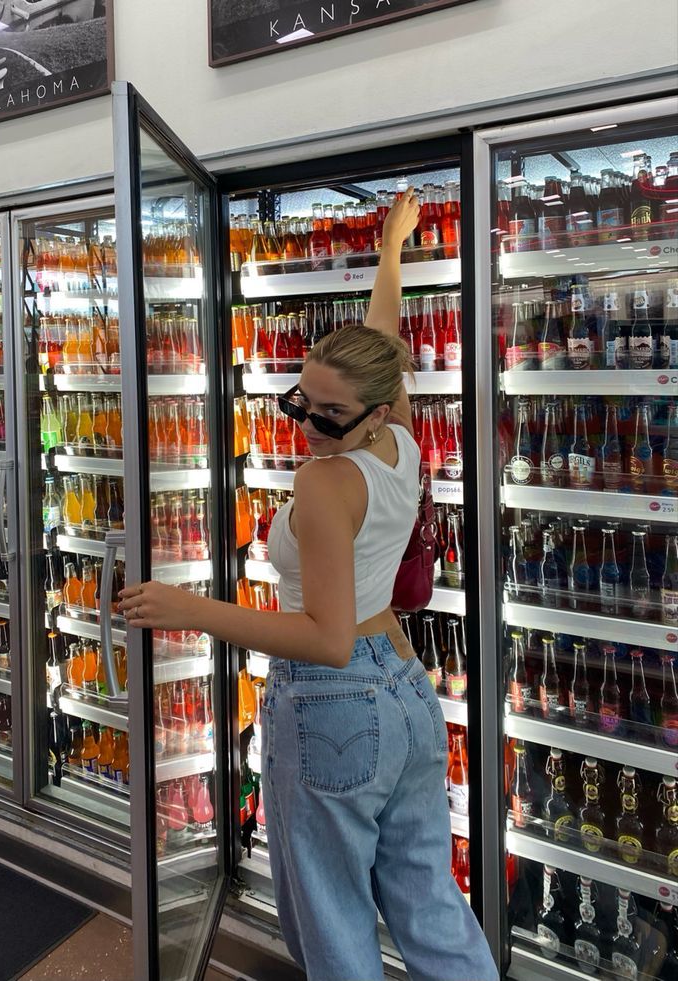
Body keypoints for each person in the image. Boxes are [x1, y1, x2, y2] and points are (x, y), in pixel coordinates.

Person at [120, 188, 498, 981]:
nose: (306, 425)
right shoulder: (398, 437)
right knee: (430, 905)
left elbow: (325, 636)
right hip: (404, 692)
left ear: (366, 415)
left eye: (328, 415)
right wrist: (392, 248)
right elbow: (381, 339)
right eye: (301, 401)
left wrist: (189, 607)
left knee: (331, 925)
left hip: (333, 705)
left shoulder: (328, 483)